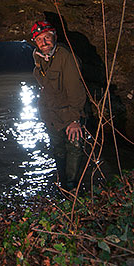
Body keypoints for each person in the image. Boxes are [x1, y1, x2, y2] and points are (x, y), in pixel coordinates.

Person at [30, 20, 87, 191]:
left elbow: (75, 89)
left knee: (75, 149)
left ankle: (71, 187)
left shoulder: (65, 57)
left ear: (54, 36)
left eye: (47, 37)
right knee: (58, 150)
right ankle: (61, 183)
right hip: (51, 116)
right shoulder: (40, 59)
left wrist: (75, 119)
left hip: (69, 115)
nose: (44, 42)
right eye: (39, 39)